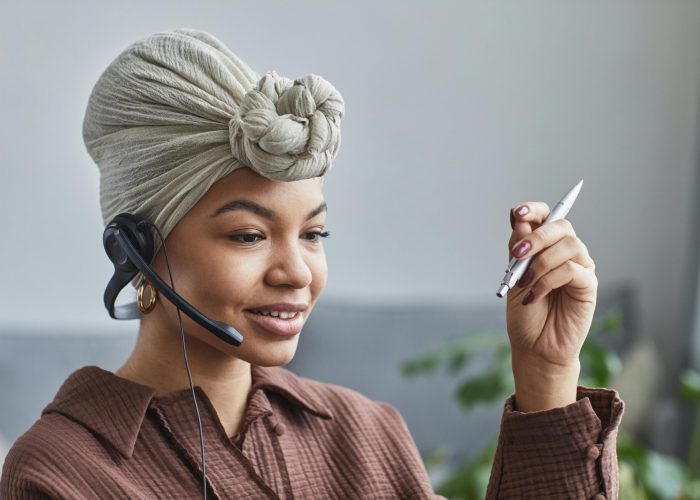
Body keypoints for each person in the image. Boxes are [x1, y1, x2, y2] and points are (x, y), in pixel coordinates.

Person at [0, 29, 623, 499]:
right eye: (248, 235)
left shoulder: (366, 435)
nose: (297, 272)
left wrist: (546, 374)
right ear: (133, 248)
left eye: (314, 233)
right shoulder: (59, 473)